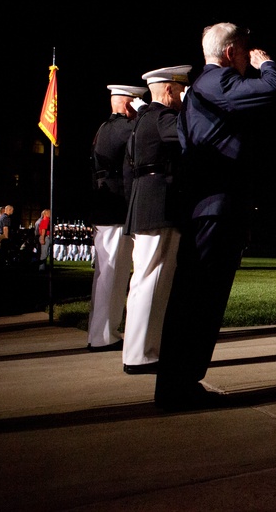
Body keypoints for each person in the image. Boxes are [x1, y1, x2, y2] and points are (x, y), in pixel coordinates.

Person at [154, 24, 276, 409]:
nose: (249, 57)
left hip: (206, 207)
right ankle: (178, 386)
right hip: (215, 209)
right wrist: (269, 65)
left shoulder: (199, 90)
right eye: (246, 51)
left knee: (196, 298)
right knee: (199, 299)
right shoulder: (218, 81)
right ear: (231, 53)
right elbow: (272, 89)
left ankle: (178, 383)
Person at [122, 67, 189, 374]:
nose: (181, 96)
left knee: (145, 280)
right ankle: (142, 355)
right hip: (159, 204)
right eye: (180, 90)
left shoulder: (142, 121)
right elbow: (191, 136)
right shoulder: (162, 118)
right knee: (152, 280)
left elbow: (127, 173)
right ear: (167, 91)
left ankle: (140, 351)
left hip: (144, 204)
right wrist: (192, 107)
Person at [87, 84, 147, 352]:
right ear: (128, 104)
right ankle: (103, 336)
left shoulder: (103, 128)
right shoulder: (126, 128)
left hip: (103, 208)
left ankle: (100, 333)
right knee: (113, 275)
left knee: (106, 275)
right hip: (115, 210)